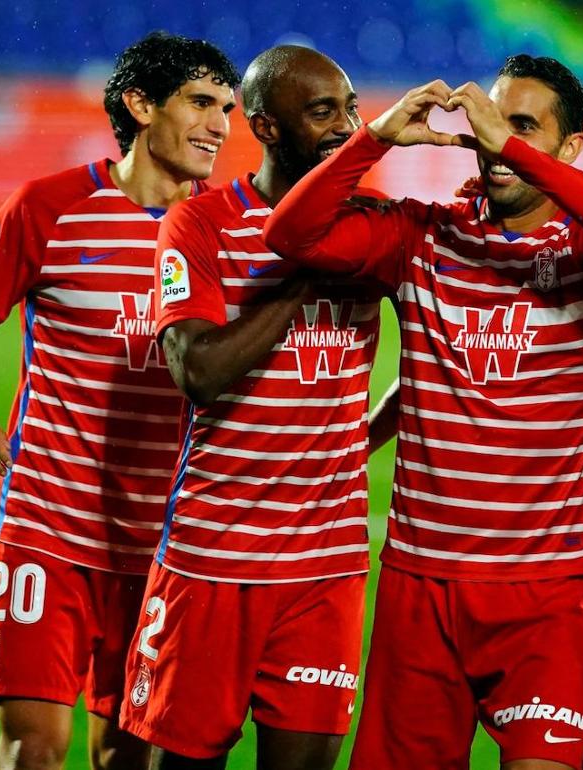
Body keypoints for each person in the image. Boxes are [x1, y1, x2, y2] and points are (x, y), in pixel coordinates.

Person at [264, 55, 583, 770]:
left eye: (524, 126)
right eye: (493, 121)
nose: (497, 138)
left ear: (569, 147)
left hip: (544, 597)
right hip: (422, 590)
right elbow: (290, 235)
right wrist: (376, 138)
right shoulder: (422, 236)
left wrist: (512, 152)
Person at [0, 32, 239, 770]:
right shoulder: (48, 209)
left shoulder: (228, 232)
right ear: (141, 105)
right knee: (34, 749)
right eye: (201, 103)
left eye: (228, 109)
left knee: (124, 758)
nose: (219, 126)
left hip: (164, 546)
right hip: (45, 528)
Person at [116, 45, 381, 770]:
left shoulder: (371, 226)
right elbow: (198, 370)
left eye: (351, 109)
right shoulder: (199, 225)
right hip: (213, 558)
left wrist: (362, 436)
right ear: (265, 127)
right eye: (322, 112)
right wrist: (302, 274)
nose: (345, 127)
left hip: (326, 566)